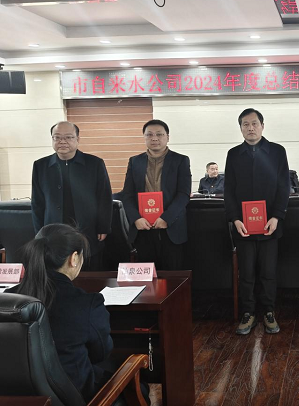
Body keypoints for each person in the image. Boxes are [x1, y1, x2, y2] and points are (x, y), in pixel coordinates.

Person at [7, 224, 113, 403]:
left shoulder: (10, 299)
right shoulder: (87, 304)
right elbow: (101, 353)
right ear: (74, 258)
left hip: (19, 397)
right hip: (75, 396)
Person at [224, 108, 290, 335]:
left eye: (254, 123)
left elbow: (284, 186)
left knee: (268, 272)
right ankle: (248, 313)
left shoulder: (277, 151)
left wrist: (277, 216)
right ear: (240, 128)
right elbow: (229, 190)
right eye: (245, 124)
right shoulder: (234, 154)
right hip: (243, 226)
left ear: (262, 126)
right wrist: (235, 219)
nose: (250, 128)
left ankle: (269, 311)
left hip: (270, 224)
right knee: (247, 273)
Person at [31, 121, 113, 271]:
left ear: (77, 139)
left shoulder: (94, 163)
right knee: (56, 271)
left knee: (89, 270)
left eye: (68, 137)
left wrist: (103, 226)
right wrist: (40, 233)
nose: (62, 141)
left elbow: (104, 197)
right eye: (57, 137)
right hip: (53, 230)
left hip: (87, 228)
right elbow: (37, 203)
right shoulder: (40, 165)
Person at [122, 119, 192, 270]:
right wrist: (136, 218)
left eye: (159, 134)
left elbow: (184, 194)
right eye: (149, 135)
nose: (154, 138)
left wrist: (167, 218)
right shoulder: (135, 161)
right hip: (143, 228)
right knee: (147, 276)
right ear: (144, 137)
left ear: (167, 137)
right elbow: (127, 195)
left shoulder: (181, 160)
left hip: (171, 227)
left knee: (173, 275)